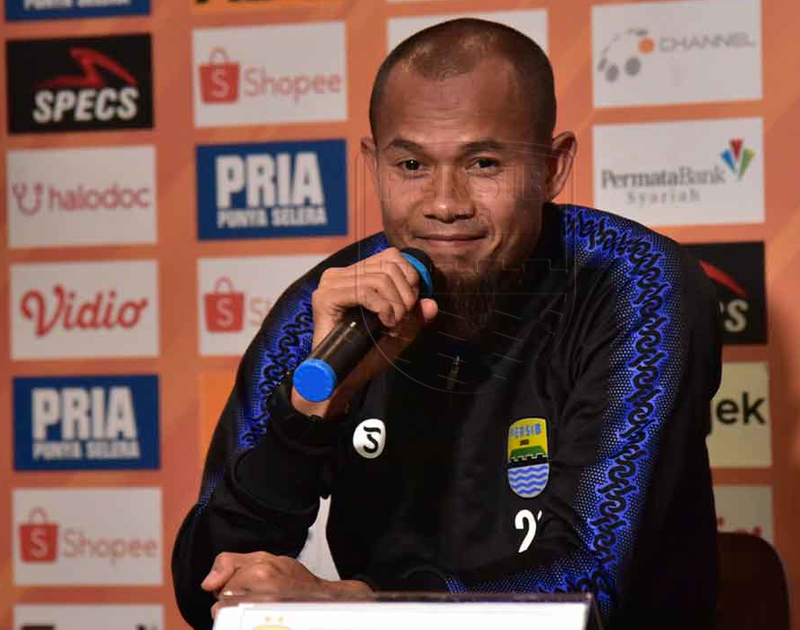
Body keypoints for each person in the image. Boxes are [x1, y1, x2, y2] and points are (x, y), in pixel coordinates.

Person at [172, 18, 723, 629]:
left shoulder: (635, 282)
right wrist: (309, 414)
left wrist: (364, 610)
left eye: (483, 163)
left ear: (553, 168)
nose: (443, 203)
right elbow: (206, 587)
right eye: (411, 164)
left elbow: (591, 587)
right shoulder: (326, 304)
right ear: (374, 165)